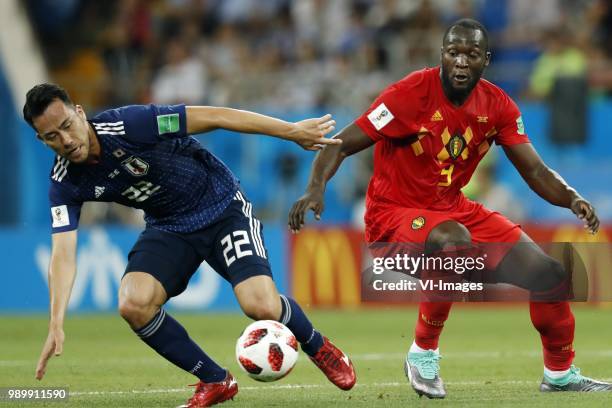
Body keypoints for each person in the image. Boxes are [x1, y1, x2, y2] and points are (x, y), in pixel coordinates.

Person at [289, 18, 610, 399]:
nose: (460, 61)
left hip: (454, 209)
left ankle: (559, 374)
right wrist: (315, 189)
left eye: (471, 54)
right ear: (442, 55)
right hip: (393, 216)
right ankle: (423, 353)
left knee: (551, 274)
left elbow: (535, 170)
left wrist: (570, 197)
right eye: (453, 52)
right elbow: (339, 143)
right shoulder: (409, 95)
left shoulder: (498, 106)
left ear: (485, 60)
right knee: (452, 240)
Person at [25, 83, 356, 408]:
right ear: (42, 140)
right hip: (169, 227)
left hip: (222, 207)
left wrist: (291, 131)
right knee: (133, 303)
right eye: (52, 137)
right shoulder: (64, 181)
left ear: (80, 113)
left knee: (262, 307)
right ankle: (215, 380)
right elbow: (63, 254)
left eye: (67, 125)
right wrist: (56, 322)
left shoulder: (131, 124)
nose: (65, 140)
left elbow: (216, 116)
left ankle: (317, 345)